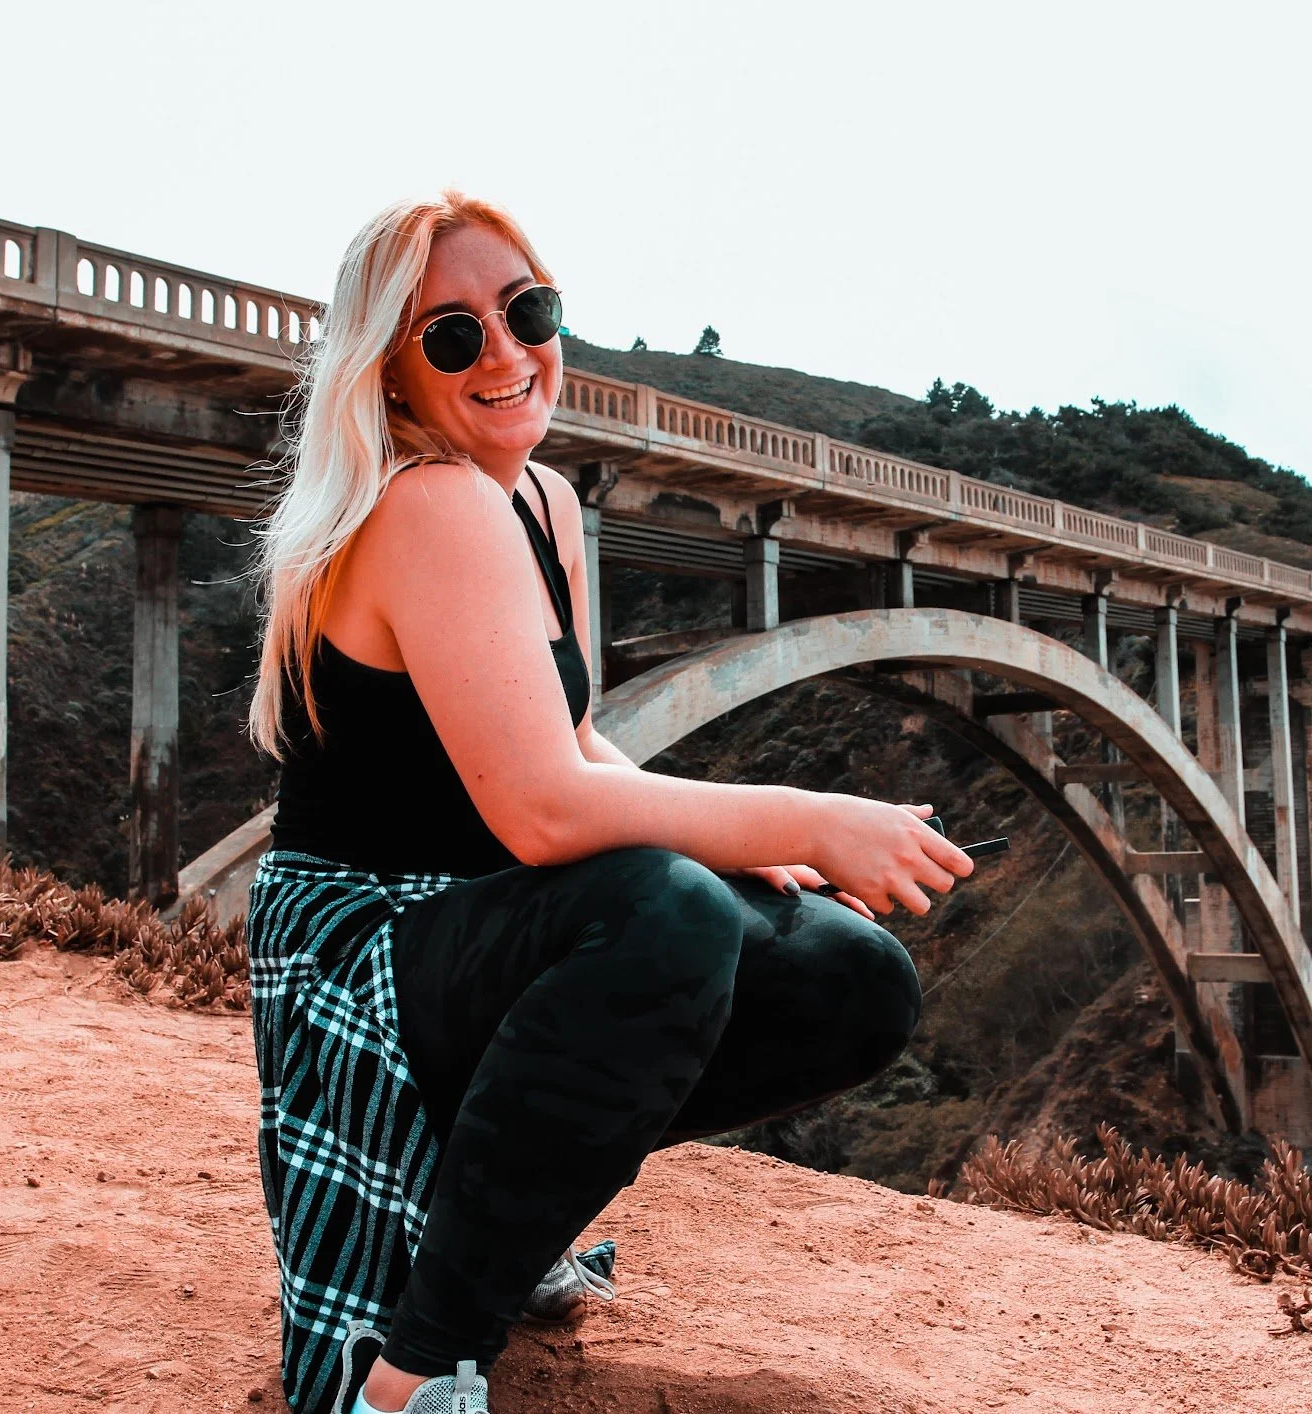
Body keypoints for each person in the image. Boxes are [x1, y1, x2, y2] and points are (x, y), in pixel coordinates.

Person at [246, 191, 972, 1414]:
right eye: (453, 333)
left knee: (853, 975)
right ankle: (411, 1377)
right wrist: (803, 818)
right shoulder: (424, 503)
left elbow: (578, 742)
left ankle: (497, 1225)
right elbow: (543, 813)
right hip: (361, 956)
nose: (508, 351)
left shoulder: (545, 505)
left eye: (527, 310)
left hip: (485, 921)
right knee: (668, 913)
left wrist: (761, 861)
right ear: (390, 370)